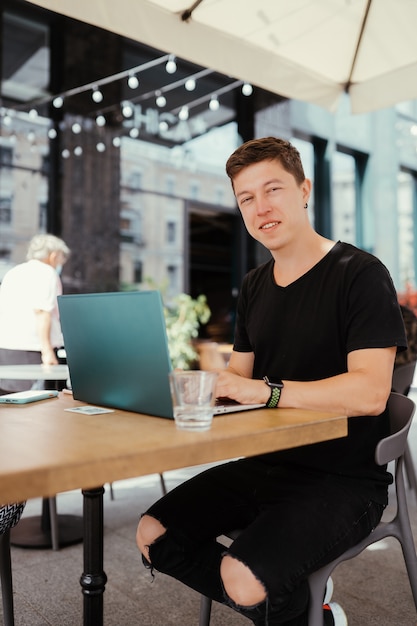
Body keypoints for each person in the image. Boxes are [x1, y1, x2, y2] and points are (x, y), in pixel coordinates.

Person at [136, 137, 407, 626]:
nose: (260, 208)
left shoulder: (361, 275)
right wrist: (199, 383)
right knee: (154, 535)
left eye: (273, 189)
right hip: (264, 463)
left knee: (243, 578)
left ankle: (294, 606)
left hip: (343, 478)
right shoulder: (257, 284)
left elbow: (370, 394)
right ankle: (305, 609)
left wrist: (270, 390)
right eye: (246, 198)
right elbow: (239, 376)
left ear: (304, 190)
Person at [0, 233, 70, 394]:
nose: (61, 262)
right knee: (34, 403)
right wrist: (47, 352)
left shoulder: (14, 272)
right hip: (31, 349)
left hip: (6, 347)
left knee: (8, 401)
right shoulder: (47, 273)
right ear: (53, 255)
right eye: (61, 258)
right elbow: (42, 312)